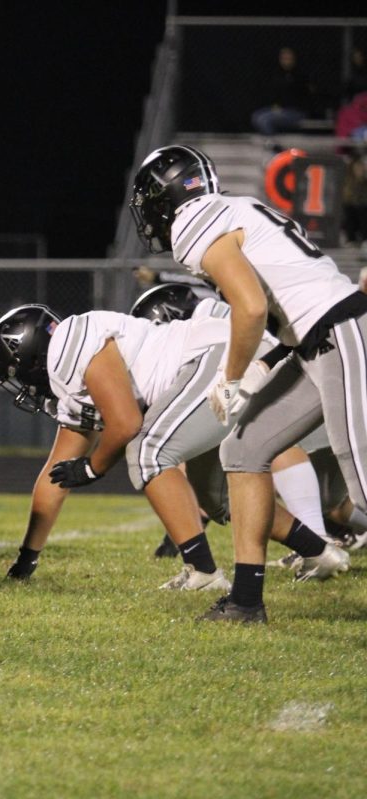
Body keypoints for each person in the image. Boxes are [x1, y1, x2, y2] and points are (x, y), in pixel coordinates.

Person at [129, 143, 367, 623]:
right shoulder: (235, 207)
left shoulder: (193, 222)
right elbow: (285, 296)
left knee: (363, 486)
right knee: (243, 449)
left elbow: (252, 306)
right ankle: (245, 601)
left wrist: (232, 377)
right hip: (314, 340)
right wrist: (269, 360)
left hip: (341, 332)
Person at [0, 294, 346, 590]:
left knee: (148, 453)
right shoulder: (72, 385)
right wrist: (26, 560)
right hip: (214, 363)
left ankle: (202, 573)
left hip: (220, 355)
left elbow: (126, 423)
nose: (26, 389)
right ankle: (318, 551)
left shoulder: (68, 343)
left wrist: (94, 468)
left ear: (31, 355)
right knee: (216, 498)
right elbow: (55, 477)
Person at [250, 47, 314, 137]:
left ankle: (274, 145)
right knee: (256, 116)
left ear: (294, 59)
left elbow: (303, 98)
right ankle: (272, 142)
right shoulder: (278, 75)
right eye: (283, 58)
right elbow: (275, 96)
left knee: (264, 120)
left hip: (296, 112)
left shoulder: (300, 76)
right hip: (281, 111)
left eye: (288, 58)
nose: (286, 61)